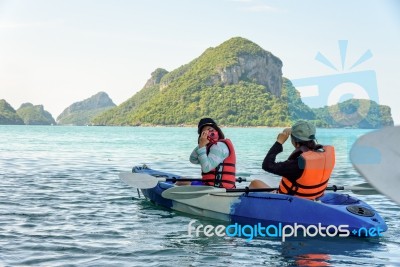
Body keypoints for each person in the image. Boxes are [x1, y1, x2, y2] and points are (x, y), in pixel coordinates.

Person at [249, 120, 335, 200]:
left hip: (290, 202)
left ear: (295, 143)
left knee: (255, 183)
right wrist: (291, 131)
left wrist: (279, 142)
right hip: (313, 200)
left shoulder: (297, 164)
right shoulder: (324, 156)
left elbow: (267, 165)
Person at [187, 118, 236, 189]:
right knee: (183, 180)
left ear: (217, 131)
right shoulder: (207, 148)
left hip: (218, 189)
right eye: (204, 133)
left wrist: (202, 147)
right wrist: (201, 145)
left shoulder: (219, 146)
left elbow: (206, 168)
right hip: (211, 186)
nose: (209, 133)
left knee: (182, 183)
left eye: (211, 130)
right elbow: (193, 159)